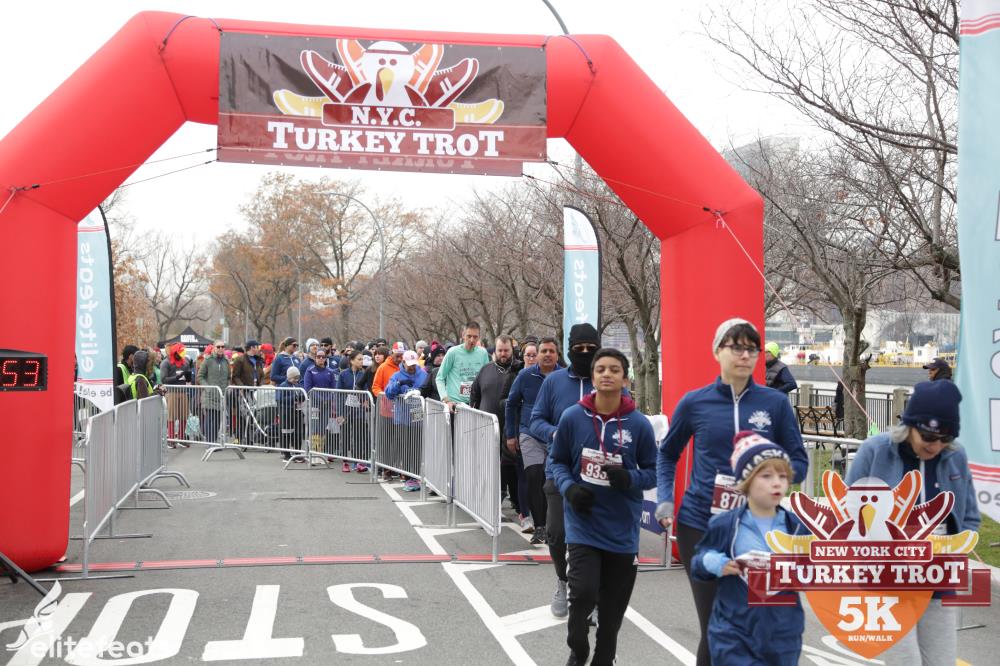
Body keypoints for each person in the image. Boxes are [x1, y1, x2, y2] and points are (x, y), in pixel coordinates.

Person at [655, 318, 808, 666]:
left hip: (758, 529)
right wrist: (665, 498)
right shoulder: (695, 403)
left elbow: (799, 461)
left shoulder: (774, 404)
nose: (744, 355)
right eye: (736, 347)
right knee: (716, 625)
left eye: (752, 349)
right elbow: (667, 453)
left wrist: (771, 476)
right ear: (717, 351)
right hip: (702, 526)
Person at [846, 380, 977, 666]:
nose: (936, 446)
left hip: (938, 579)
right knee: (904, 662)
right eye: (928, 437)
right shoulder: (874, 451)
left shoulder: (955, 455)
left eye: (945, 438)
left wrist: (958, 550)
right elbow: (848, 513)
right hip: (886, 580)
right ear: (909, 426)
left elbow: (969, 516)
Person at [550, 348, 657, 666]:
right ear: (593, 376)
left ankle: (604, 658)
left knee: (611, 614)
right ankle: (577, 647)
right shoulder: (572, 417)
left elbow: (654, 472)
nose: (607, 374)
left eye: (614, 369)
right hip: (583, 524)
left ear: (625, 378)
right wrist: (569, 489)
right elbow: (557, 461)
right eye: (601, 369)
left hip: (622, 530)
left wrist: (630, 478)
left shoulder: (639, 424)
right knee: (582, 593)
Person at [691, 431, 806, 665]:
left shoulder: (797, 528)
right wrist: (714, 562)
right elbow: (698, 563)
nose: (777, 482)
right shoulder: (724, 525)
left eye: (783, 476)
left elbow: (815, 570)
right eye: (766, 476)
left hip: (783, 635)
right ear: (747, 481)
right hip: (734, 632)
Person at [529, 323, 602, 618]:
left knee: (594, 537)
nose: (584, 353)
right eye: (578, 348)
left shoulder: (607, 378)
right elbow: (535, 420)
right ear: (569, 349)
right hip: (558, 470)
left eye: (590, 348)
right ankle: (562, 581)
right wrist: (555, 433)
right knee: (557, 534)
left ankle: (593, 595)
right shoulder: (554, 382)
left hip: (598, 473)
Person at [506, 337, 559, 544]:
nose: (547, 355)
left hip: (556, 435)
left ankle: (552, 523)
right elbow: (511, 404)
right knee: (534, 476)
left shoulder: (564, 377)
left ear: (557, 355)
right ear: (537, 355)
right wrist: (511, 434)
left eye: (551, 351)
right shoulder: (525, 375)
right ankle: (540, 527)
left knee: (551, 482)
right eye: (543, 351)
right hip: (530, 433)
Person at [470, 335, 524, 519]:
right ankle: (493, 504)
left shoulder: (520, 370)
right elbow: (475, 395)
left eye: (506, 350)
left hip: (512, 430)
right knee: (491, 467)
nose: (503, 354)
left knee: (512, 468)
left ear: (512, 350)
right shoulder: (485, 370)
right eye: (499, 350)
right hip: (487, 428)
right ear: (494, 351)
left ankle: (519, 505)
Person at [384, 350, 429, 490]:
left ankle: (415, 476)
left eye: (414, 364)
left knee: (417, 448)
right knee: (406, 448)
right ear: (403, 362)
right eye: (409, 364)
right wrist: (399, 383)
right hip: (403, 418)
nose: (412, 367)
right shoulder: (396, 376)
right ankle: (409, 476)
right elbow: (388, 393)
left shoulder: (423, 375)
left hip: (419, 418)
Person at [436, 322, 490, 408]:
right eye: (469, 336)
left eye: (475, 337)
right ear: (463, 335)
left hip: (475, 404)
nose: (472, 340)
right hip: (455, 405)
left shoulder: (483, 353)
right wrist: (446, 400)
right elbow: (440, 378)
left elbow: (486, 379)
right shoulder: (453, 352)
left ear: (479, 337)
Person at [338, 349, 370, 473]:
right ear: (351, 361)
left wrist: (365, 400)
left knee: (358, 436)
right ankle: (345, 462)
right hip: (345, 410)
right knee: (345, 436)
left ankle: (358, 462)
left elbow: (366, 390)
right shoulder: (343, 374)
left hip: (359, 411)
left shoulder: (364, 374)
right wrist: (340, 413)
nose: (362, 362)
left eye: (362, 359)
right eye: (359, 359)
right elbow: (338, 393)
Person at [160, 342, 195, 444]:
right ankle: (171, 439)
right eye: (181, 351)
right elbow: (163, 379)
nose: (183, 353)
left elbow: (189, 379)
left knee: (184, 416)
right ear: (175, 352)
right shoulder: (166, 363)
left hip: (183, 392)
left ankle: (181, 438)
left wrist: (189, 377)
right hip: (171, 392)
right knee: (171, 416)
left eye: (184, 351)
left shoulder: (185, 363)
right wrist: (177, 377)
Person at [197, 341, 230, 443]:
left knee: (217, 420)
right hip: (210, 396)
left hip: (221, 395)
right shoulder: (208, 360)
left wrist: (228, 388)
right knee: (210, 419)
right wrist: (208, 388)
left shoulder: (226, 361)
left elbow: (229, 377)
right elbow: (200, 376)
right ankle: (210, 442)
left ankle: (214, 441)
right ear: (214, 348)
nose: (220, 348)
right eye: (218, 346)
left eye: (222, 347)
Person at [277, 366, 306, 462]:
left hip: (297, 412)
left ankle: (297, 453)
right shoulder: (283, 385)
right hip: (286, 413)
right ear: (289, 377)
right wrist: (294, 397)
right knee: (286, 433)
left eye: (297, 378)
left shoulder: (297, 385)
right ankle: (286, 454)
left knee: (298, 433)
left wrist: (301, 397)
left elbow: (302, 395)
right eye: (294, 378)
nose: (296, 380)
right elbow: (280, 399)